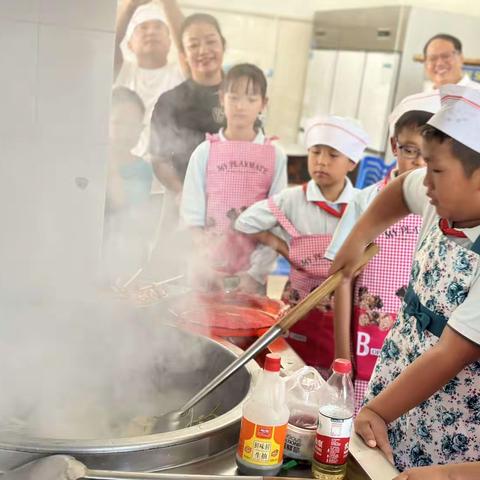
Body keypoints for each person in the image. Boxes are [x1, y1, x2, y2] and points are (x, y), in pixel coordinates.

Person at [329, 84, 480, 473]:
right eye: (425, 164)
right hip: (398, 377)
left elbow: (453, 352)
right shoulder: (441, 201)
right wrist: (358, 237)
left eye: (438, 171)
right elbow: (400, 189)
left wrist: (378, 410)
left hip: (450, 419)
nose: (424, 180)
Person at [325, 92, 440, 414]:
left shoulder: (442, 203)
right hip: (365, 336)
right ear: (394, 146)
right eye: (408, 150)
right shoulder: (367, 200)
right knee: (356, 417)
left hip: (416, 343)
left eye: (426, 154)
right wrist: (342, 356)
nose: (417, 162)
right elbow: (341, 277)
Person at [235, 115, 369, 371]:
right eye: (315, 152)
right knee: (290, 366)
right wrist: (281, 246)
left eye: (332, 155)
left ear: (352, 162)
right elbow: (244, 222)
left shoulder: (362, 203)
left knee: (333, 370)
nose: (321, 161)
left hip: (340, 308)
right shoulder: (293, 199)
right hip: (297, 306)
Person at [180, 63, 287, 293]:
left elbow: (277, 221)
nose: (241, 106)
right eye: (234, 97)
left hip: (251, 275)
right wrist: (207, 265)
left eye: (251, 99)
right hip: (206, 270)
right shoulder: (204, 151)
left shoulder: (275, 154)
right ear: (221, 98)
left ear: (263, 104)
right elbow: (192, 217)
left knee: (246, 328)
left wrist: (254, 274)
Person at [149, 13, 227, 199]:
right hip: (181, 200)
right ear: (183, 55)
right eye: (193, 45)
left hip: (232, 201)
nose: (203, 50)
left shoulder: (242, 97)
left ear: (223, 45)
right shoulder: (169, 101)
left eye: (210, 41)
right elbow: (159, 159)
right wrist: (182, 192)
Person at [114, 0, 185, 160]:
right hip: (125, 172)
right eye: (143, 28)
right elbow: (108, 43)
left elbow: (187, 45)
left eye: (159, 27)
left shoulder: (180, 72)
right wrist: (130, 5)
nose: (151, 32)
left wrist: (168, 3)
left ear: (169, 42)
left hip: (169, 173)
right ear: (130, 44)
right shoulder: (123, 71)